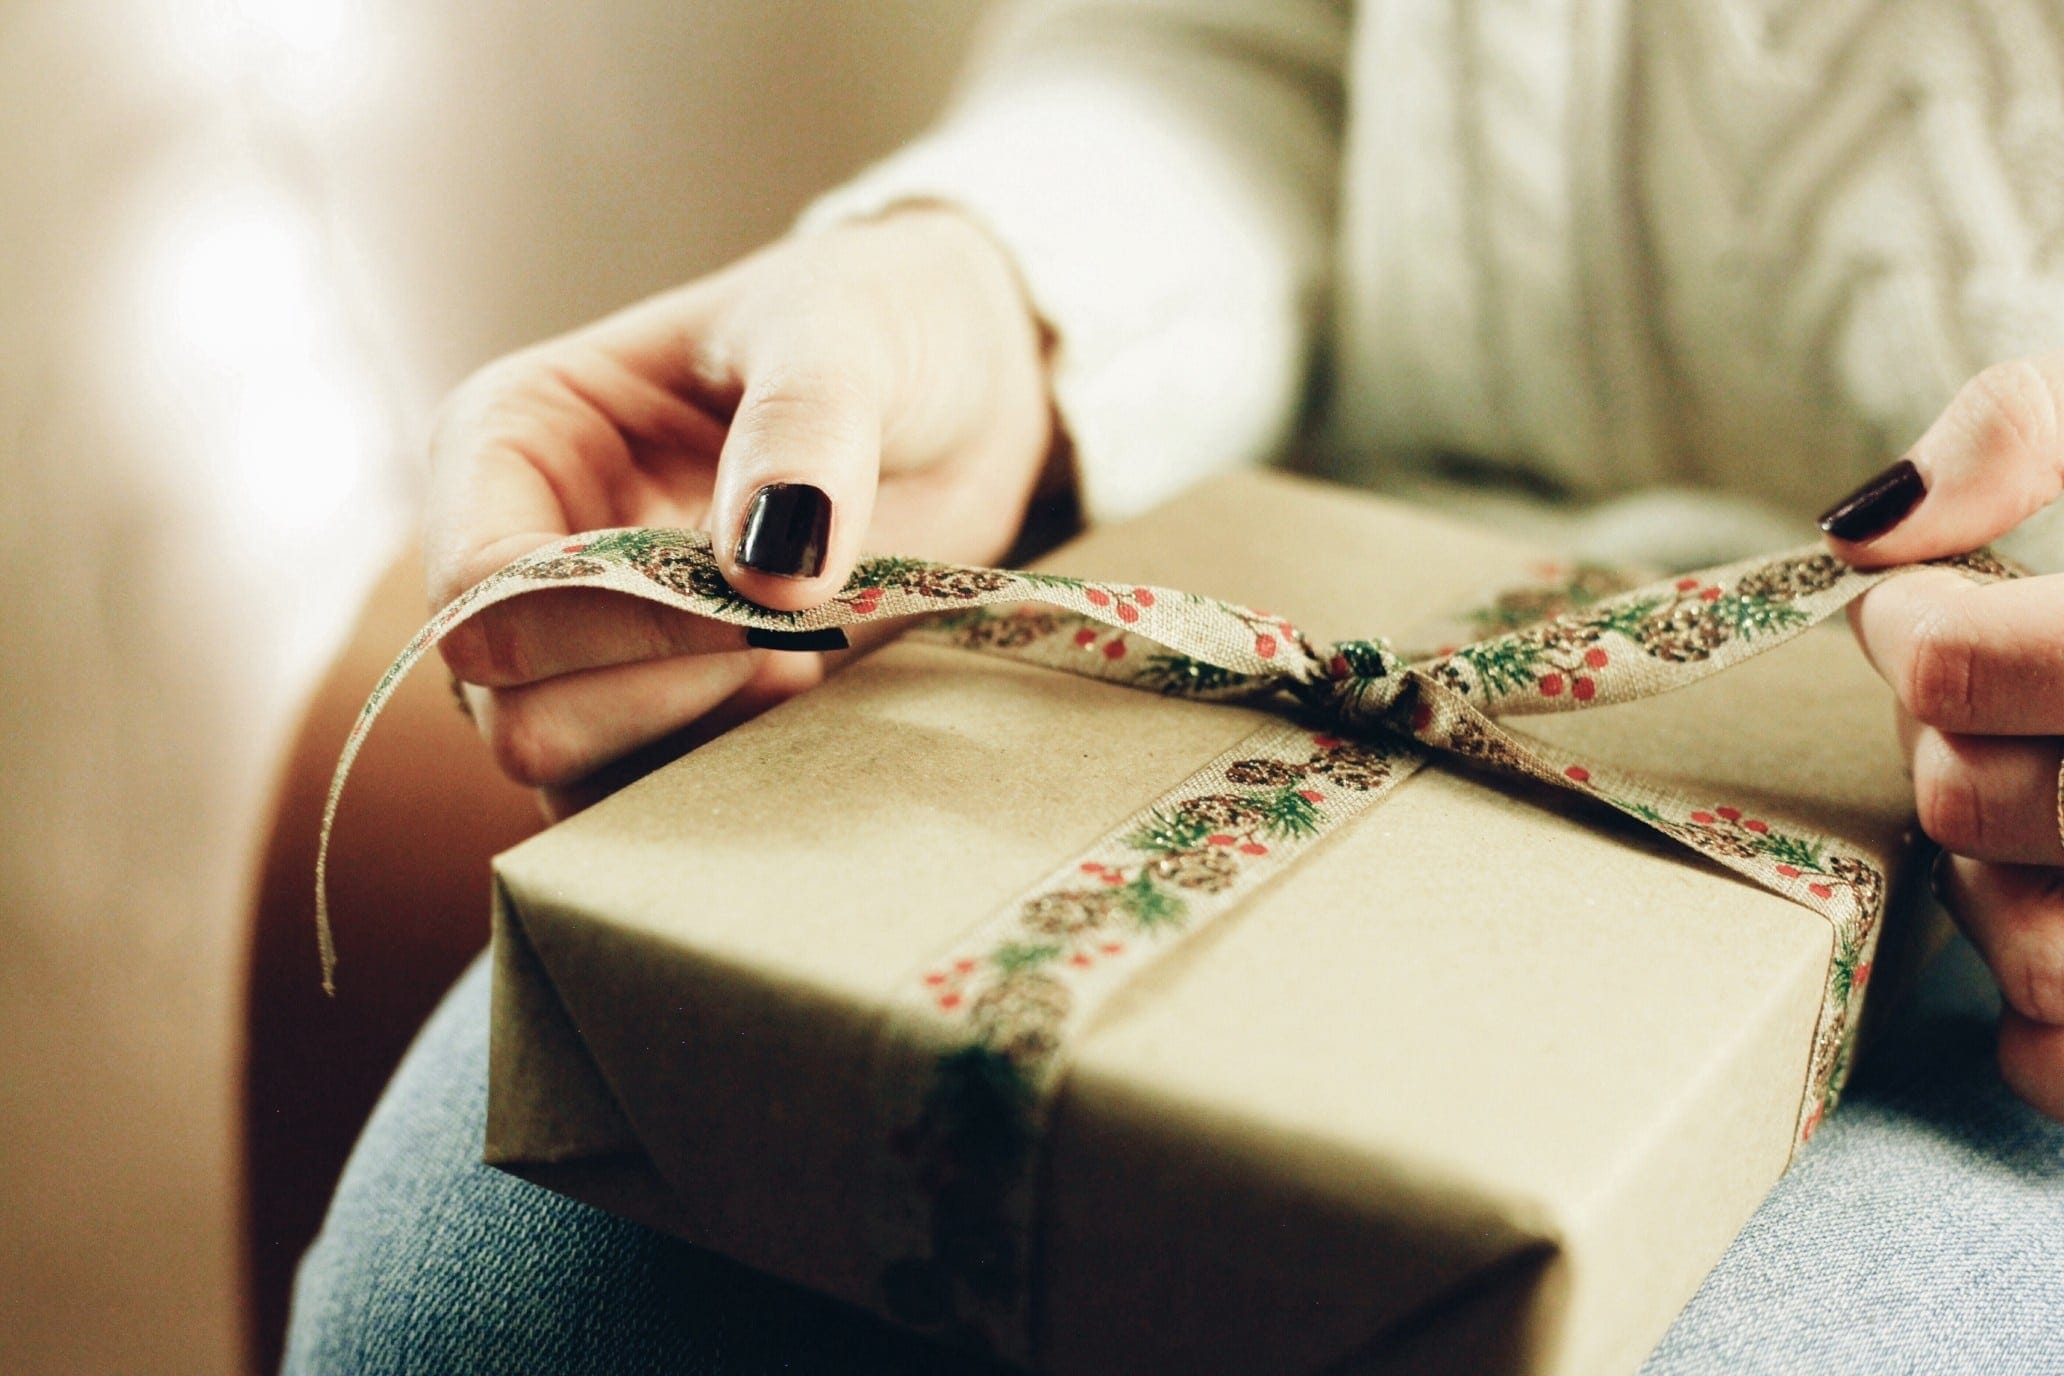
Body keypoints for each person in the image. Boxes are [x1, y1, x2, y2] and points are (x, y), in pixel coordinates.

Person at [286, 2, 2064, 1370]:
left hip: (1966, 860)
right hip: (1279, 543)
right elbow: (1238, 50)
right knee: (475, 1314)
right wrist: (1000, 302)